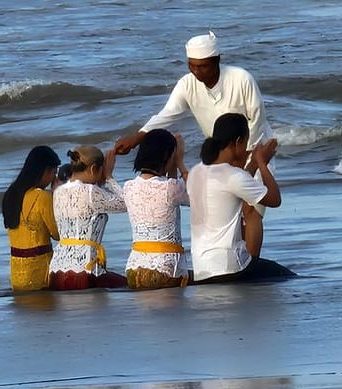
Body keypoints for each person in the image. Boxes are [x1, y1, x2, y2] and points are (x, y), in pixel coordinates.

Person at [113, 31, 276, 256]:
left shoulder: (241, 78)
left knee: (251, 210)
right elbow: (168, 114)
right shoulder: (187, 84)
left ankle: (253, 262)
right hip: (220, 157)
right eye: (192, 66)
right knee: (230, 210)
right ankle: (237, 257)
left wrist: (249, 159)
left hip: (254, 148)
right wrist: (137, 137)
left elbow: (257, 119)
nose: (197, 72)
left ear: (217, 61)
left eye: (203, 67)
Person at [186, 113, 295, 284]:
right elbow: (274, 199)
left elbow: (235, 184)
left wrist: (252, 165)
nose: (245, 150)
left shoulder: (195, 172)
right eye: (245, 143)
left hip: (202, 269)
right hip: (230, 267)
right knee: (285, 276)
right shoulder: (233, 175)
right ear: (237, 142)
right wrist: (261, 163)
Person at [49, 146, 127, 289]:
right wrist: (109, 177)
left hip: (56, 271)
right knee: (128, 285)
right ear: (93, 169)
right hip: (83, 271)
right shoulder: (91, 192)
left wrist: (100, 181)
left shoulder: (58, 192)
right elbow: (127, 203)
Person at [123, 129, 190, 289]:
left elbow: (170, 186)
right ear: (167, 156)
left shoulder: (128, 186)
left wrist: (173, 158)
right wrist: (180, 162)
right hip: (166, 270)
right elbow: (195, 196)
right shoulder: (171, 188)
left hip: (134, 269)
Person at [2, 145, 61, 291]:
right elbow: (57, 234)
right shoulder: (42, 196)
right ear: (45, 171)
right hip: (39, 272)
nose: (54, 178)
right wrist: (57, 196)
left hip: (16, 273)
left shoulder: (11, 194)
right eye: (54, 173)